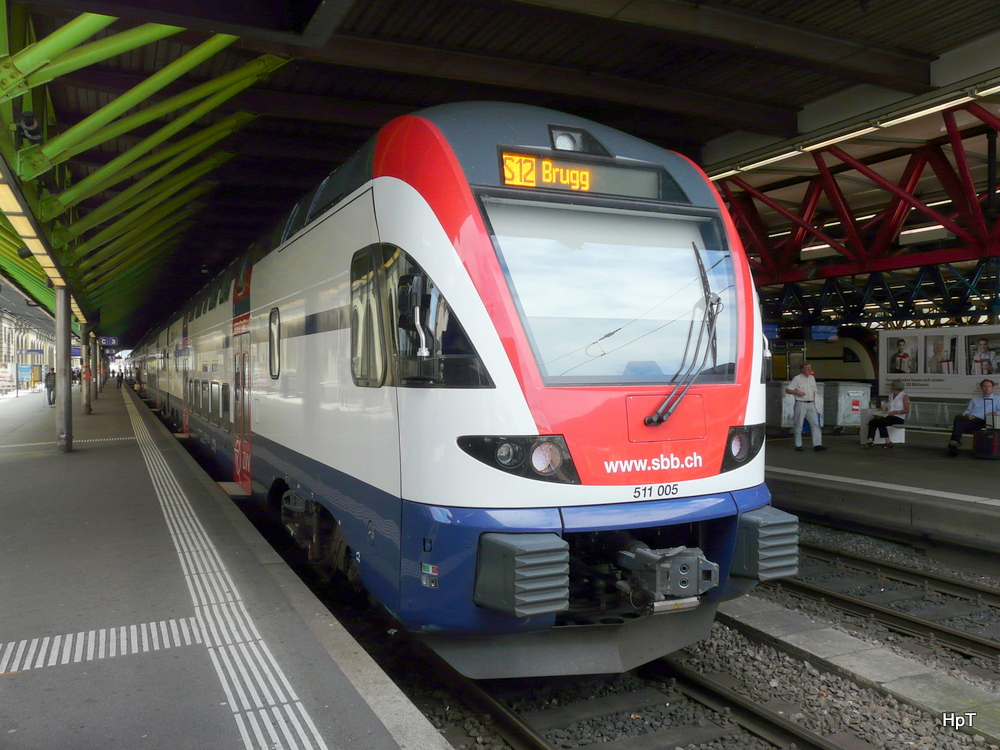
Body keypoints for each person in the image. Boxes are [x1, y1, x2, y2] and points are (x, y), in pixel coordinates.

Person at [947, 379, 999, 456]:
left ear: (992, 388)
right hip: (972, 420)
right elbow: (967, 411)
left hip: (984, 421)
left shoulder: (997, 399)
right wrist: (968, 414)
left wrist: (995, 413)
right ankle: (954, 443)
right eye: (985, 386)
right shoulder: (975, 399)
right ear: (982, 388)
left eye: (989, 386)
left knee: (959, 424)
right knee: (959, 418)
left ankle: (953, 444)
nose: (987, 388)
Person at [785, 362, 827, 452]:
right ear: (802, 369)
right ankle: (798, 445)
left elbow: (814, 392)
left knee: (815, 423)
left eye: (810, 367)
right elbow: (788, 389)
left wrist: (815, 405)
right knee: (799, 424)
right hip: (801, 403)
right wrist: (797, 392)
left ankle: (817, 444)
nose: (809, 369)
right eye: (807, 368)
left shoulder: (812, 378)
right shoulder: (797, 379)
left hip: (811, 403)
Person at [864, 380, 909, 448]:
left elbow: (906, 410)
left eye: (892, 386)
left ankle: (888, 441)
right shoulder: (891, 395)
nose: (891, 387)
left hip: (898, 417)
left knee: (881, 421)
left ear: (895, 387)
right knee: (872, 421)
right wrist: (881, 410)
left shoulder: (904, 396)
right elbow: (888, 406)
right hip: (889, 415)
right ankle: (870, 440)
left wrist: (896, 412)